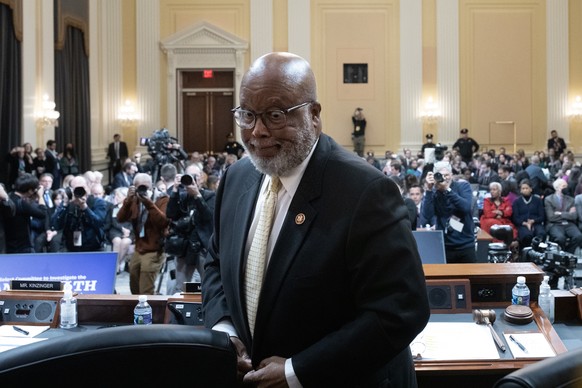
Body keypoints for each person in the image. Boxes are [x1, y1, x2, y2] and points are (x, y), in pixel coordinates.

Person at [202, 52, 429, 387]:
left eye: (275, 115)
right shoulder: (237, 178)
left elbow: (401, 311)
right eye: (247, 115)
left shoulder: (365, 192)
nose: (257, 131)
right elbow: (215, 263)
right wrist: (224, 329)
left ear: (314, 114)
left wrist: (298, 371)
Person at [165, 164, 215, 294]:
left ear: (201, 178)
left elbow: (208, 217)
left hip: (203, 248)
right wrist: (175, 190)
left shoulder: (210, 196)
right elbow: (170, 213)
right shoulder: (182, 197)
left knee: (208, 286)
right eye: (189, 176)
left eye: (195, 176)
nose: (193, 179)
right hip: (184, 247)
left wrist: (197, 196)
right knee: (180, 287)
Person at [117, 173, 169, 295]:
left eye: (145, 186)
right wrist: (128, 200)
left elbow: (163, 222)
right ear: (134, 187)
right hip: (138, 249)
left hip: (154, 250)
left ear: (151, 186)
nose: (143, 190)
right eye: (139, 187)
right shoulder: (134, 200)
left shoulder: (162, 199)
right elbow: (120, 218)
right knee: (134, 287)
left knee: (145, 290)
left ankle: (148, 312)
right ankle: (136, 311)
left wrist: (148, 203)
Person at [421, 161, 476, 263]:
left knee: (469, 277)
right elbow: (427, 215)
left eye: (446, 175)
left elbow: (466, 208)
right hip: (444, 245)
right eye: (440, 175)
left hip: (465, 244)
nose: (444, 178)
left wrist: (447, 190)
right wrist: (428, 190)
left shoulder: (463, 186)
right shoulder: (434, 192)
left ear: (451, 175)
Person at [51, 176, 108, 252]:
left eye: (82, 188)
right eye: (76, 189)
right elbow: (55, 225)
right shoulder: (67, 203)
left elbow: (99, 222)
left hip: (93, 247)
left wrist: (84, 207)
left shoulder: (97, 202)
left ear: (88, 188)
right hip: (71, 247)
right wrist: (65, 204)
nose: (79, 192)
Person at [5, 173, 47, 253]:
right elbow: (43, 213)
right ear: (30, 190)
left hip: (9, 245)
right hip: (22, 247)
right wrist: (40, 196)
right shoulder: (21, 203)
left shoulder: (9, 197)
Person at [544, 178, 582, 254]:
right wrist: (567, 214)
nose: (566, 188)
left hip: (569, 224)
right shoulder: (549, 199)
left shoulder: (571, 199)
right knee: (560, 238)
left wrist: (560, 213)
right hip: (555, 225)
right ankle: (561, 254)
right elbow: (551, 217)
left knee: (578, 236)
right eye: (563, 186)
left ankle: (568, 253)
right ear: (557, 188)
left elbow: (574, 216)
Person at [104, 187, 134, 273]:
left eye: (118, 195)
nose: (116, 197)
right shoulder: (114, 208)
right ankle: (116, 267)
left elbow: (134, 221)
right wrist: (122, 229)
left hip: (129, 230)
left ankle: (117, 263)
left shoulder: (132, 208)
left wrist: (128, 230)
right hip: (116, 229)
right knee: (117, 241)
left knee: (125, 242)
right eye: (116, 195)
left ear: (125, 197)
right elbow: (113, 221)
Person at [512, 179, 545, 249]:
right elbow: (515, 218)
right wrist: (525, 223)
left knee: (541, 234)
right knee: (527, 236)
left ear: (531, 189)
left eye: (527, 188)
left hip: (536, 223)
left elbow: (542, 216)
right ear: (520, 190)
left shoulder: (537, 200)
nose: (525, 190)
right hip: (522, 224)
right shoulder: (517, 202)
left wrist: (533, 221)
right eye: (523, 189)